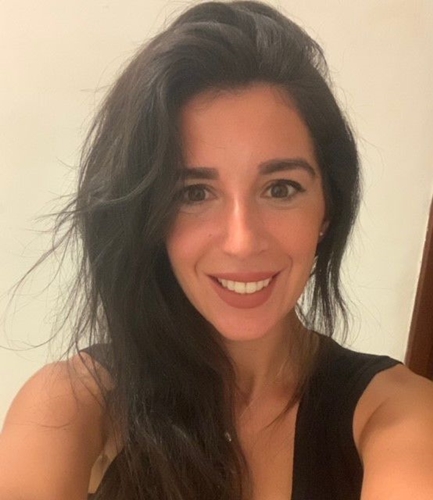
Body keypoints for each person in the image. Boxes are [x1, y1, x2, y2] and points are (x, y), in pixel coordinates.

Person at [1, 1, 432, 499]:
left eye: (281, 188)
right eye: (194, 193)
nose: (242, 241)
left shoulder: (397, 415)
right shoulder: (71, 404)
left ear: (327, 210)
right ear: (149, 218)